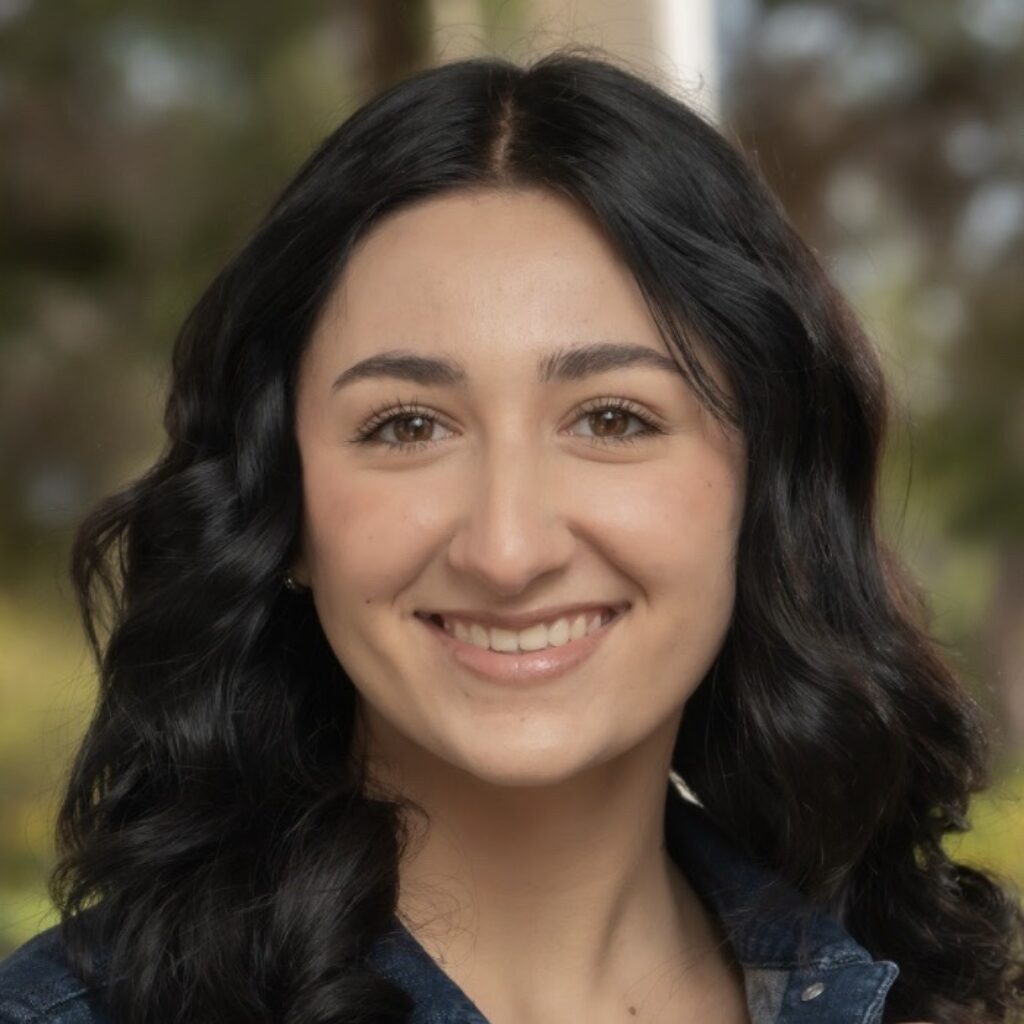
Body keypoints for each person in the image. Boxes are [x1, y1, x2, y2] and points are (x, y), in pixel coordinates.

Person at [0, 47, 1020, 1024]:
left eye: (612, 418)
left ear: (764, 487)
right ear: (284, 506)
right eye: (407, 427)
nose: (507, 550)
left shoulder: (924, 1000)